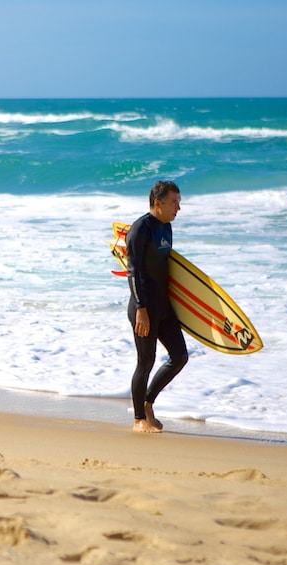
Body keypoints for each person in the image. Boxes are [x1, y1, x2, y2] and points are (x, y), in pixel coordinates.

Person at [125, 180, 188, 433]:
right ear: (158, 203)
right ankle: (138, 419)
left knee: (180, 356)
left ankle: (148, 402)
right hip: (144, 308)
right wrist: (141, 309)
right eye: (174, 202)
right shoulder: (140, 229)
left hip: (164, 306)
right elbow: (133, 272)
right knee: (146, 362)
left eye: (179, 203)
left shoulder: (167, 227)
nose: (178, 208)